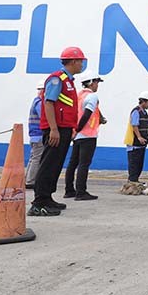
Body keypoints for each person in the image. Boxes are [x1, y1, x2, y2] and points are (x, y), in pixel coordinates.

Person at [29, 46, 87, 217]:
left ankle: (47, 197)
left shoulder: (68, 81)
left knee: (55, 165)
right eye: (81, 61)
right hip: (56, 129)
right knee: (48, 165)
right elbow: (49, 103)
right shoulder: (57, 79)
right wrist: (53, 129)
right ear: (74, 61)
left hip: (64, 129)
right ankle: (39, 203)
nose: (82, 65)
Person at [64, 72, 106, 201]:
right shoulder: (92, 96)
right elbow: (87, 114)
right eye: (97, 82)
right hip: (87, 135)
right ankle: (81, 192)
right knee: (84, 164)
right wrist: (78, 129)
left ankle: (69, 190)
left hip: (78, 136)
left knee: (73, 163)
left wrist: (75, 131)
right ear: (92, 82)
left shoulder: (79, 95)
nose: (98, 85)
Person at [25, 80, 45, 189]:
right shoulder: (40, 103)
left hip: (35, 136)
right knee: (37, 159)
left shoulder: (36, 101)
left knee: (34, 158)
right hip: (39, 136)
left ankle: (29, 179)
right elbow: (44, 117)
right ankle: (30, 181)